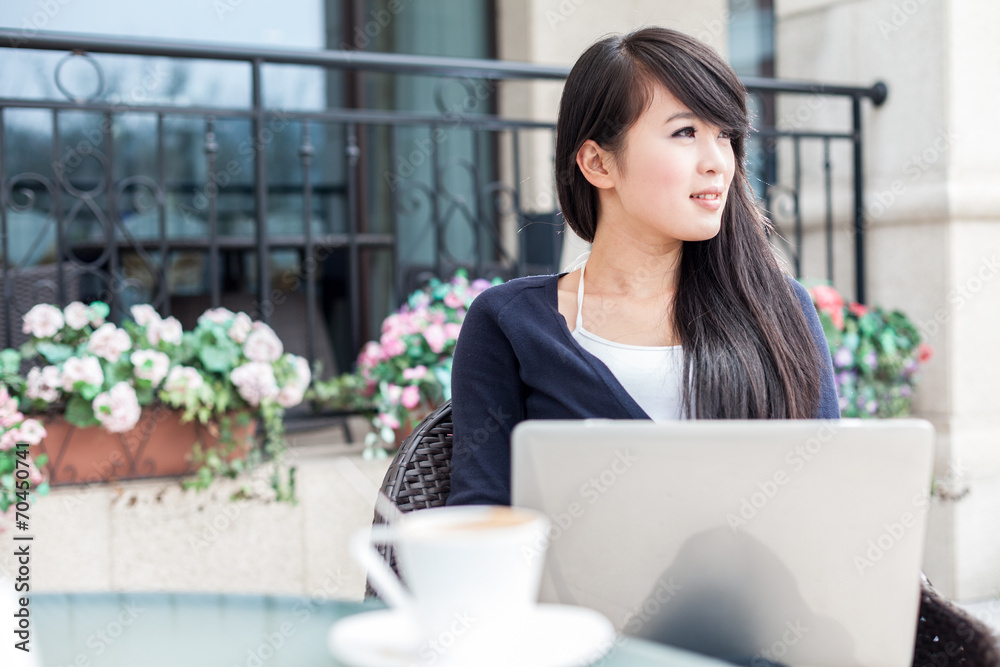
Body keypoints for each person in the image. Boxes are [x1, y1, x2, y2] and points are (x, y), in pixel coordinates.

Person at [446, 27, 839, 507]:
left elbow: (826, 501)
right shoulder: (510, 323)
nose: (719, 161)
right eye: (686, 132)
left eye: (726, 135)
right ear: (598, 163)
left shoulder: (781, 308)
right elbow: (481, 516)